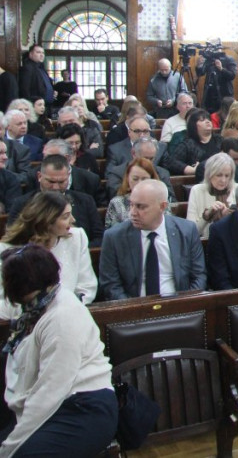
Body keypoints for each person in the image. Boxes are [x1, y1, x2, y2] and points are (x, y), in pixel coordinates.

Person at [0, 245, 117, 456]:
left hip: (85, 407)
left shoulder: (62, 316)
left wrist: (9, 447)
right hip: (55, 403)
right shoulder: (36, 305)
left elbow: (50, 390)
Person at [99, 179, 207, 300]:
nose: (132, 213)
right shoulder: (114, 237)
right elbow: (110, 284)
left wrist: (185, 304)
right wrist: (132, 308)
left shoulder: (187, 230)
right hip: (134, 306)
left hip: (178, 303)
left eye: (141, 207)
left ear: (162, 206)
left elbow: (199, 276)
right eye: (131, 205)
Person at [0, 191, 97, 306]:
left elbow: (86, 286)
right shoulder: (7, 249)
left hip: (70, 308)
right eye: (65, 216)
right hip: (23, 313)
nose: (73, 220)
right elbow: (4, 297)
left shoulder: (77, 237)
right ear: (47, 220)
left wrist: (67, 307)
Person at [105, 157, 168, 229]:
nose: (139, 183)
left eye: (144, 179)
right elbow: (113, 233)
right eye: (135, 179)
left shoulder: (160, 201)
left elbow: (167, 225)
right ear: (128, 179)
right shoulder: (117, 203)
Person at [186, 152, 238, 239]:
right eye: (219, 175)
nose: (223, 180)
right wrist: (206, 216)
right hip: (207, 243)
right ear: (209, 174)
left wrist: (230, 218)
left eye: (227, 176)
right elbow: (190, 233)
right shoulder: (197, 191)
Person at [166, 109, 221, 176]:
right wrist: (191, 170)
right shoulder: (188, 144)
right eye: (202, 120)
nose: (207, 122)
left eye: (209, 119)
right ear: (194, 125)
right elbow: (172, 162)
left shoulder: (219, 140)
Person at [18, 44, 54, 112]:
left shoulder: (41, 68)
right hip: (34, 106)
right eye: (38, 52)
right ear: (31, 54)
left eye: (43, 53)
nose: (41, 55)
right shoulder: (28, 68)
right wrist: (29, 107)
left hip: (47, 105)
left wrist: (52, 92)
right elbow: (24, 90)